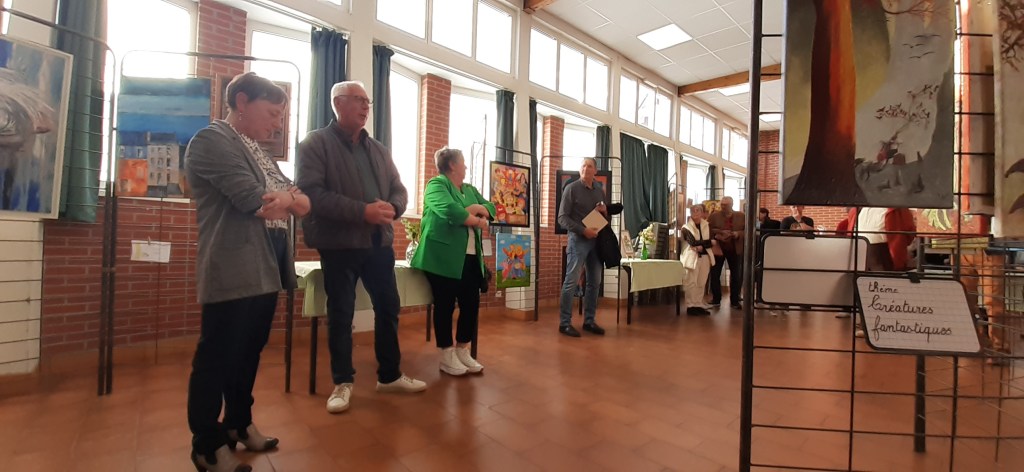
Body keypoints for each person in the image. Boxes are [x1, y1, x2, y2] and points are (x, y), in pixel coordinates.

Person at [184, 72, 310, 472]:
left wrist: (287, 198)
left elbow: (302, 201)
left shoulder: (259, 150)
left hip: (268, 261)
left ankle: (238, 422)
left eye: (280, 117)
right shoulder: (212, 140)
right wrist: (288, 198)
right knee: (218, 355)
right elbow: (252, 199)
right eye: (272, 113)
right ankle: (207, 444)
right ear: (241, 102)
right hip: (234, 262)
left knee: (249, 351)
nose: (277, 124)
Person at [297, 81, 426, 415]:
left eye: (368, 101)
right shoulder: (315, 143)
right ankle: (342, 382)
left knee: (389, 306)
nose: (366, 106)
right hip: (338, 244)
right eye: (358, 100)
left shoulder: (379, 149)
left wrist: (393, 208)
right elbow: (312, 194)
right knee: (341, 313)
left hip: (378, 243)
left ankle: (390, 375)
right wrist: (361, 211)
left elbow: (399, 189)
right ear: (338, 103)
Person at [411, 147, 494, 376]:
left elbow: (491, 207)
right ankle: (446, 355)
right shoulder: (436, 185)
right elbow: (449, 210)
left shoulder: (469, 189)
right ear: (452, 165)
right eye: (463, 162)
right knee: (445, 305)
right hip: (442, 257)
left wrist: (476, 209)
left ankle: (462, 350)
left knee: (471, 305)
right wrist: (477, 219)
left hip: (470, 257)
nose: (466, 166)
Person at [557, 157, 608, 337]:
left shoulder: (599, 191)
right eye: (583, 165)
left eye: (589, 166)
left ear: (595, 171)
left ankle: (589, 321)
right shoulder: (571, 189)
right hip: (577, 241)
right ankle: (564, 323)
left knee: (594, 282)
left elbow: (604, 216)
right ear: (580, 169)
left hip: (596, 242)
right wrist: (583, 230)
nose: (586, 168)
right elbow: (562, 218)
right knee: (571, 282)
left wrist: (604, 211)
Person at [707, 196, 745, 309]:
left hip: (735, 248)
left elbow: (747, 230)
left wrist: (737, 234)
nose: (723, 207)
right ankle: (716, 299)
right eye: (722, 205)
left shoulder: (741, 216)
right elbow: (708, 229)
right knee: (715, 274)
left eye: (726, 205)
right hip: (718, 248)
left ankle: (735, 300)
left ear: (731, 204)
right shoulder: (714, 216)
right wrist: (717, 234)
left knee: (736, 275)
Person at [681, 204, 715, 316]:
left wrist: (703, 245)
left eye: (698, 211)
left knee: (701, 281)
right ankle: (691, 306)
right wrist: (706, 243)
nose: (695, 213)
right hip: (692, 257)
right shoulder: (686, 227)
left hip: (705, 257)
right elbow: (693, 242)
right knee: (691, 282)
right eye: (693, 211)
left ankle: (698, 304)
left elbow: (712, 241)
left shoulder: (707, 225)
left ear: (702, 213)